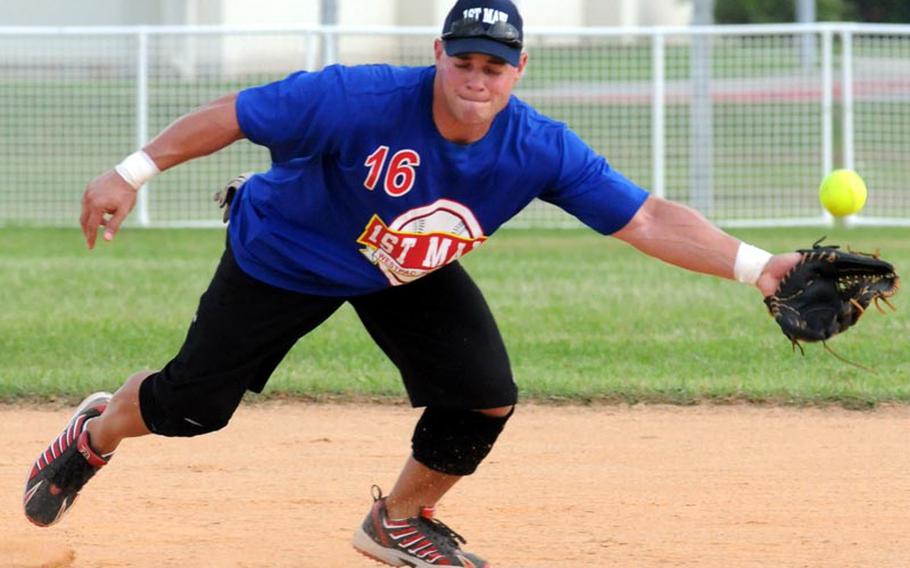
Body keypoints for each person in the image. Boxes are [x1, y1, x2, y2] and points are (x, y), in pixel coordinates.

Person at [23, 0, 800, 565]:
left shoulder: (538, 147)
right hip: (285, 253)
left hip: (400, 270)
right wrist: (131, 171)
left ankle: (397, 519)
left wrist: (759, 268)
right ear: (438, 53)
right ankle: (95, 433)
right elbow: (237, 113)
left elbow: (647, 218)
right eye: (463, 60)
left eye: (494, 66)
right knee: (190, 411)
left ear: (519, 70)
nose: (476, 77)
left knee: (483, 392)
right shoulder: (356, 97)